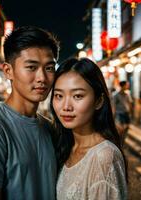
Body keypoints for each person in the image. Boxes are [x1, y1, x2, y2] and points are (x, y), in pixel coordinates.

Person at [0, 26, 60, 200]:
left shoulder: (49, 128)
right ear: (8, 71)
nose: (42, 78)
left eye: (49, 68)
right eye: (31, 67)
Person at [50, 58, 127, 200]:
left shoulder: (104, 157)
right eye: (59, 96)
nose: (66, 106)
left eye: (77, 96)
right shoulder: (65, 146)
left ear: (98, 101)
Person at [113, 81, 133, 146]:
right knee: (120, 130)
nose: (128, 86)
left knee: (126, 129)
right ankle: (119, 142)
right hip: (119, 114)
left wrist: (130, 112)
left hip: (126, 113)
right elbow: (113, 106)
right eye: (126, 85)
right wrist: (113, 115)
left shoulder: (127, 94)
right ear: (123, 86)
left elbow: (130, 103)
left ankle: (122, 142)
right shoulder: (116, 95)